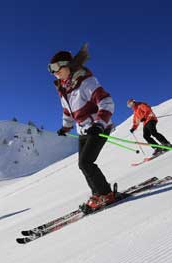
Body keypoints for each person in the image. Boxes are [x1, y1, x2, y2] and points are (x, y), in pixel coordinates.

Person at [49, 43, 115, 211]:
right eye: (51, 69)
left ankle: (106, 194)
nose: (54, 72)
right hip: (83, 130)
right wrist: (65, 128)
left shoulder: (86, 81)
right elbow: (67, 111)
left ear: (68, 65)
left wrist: (100, 124)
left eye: (57, 67)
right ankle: (97, 194)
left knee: (86, 163)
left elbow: (106, 102)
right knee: (82, 164)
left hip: (98, 127)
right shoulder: (64, 89)